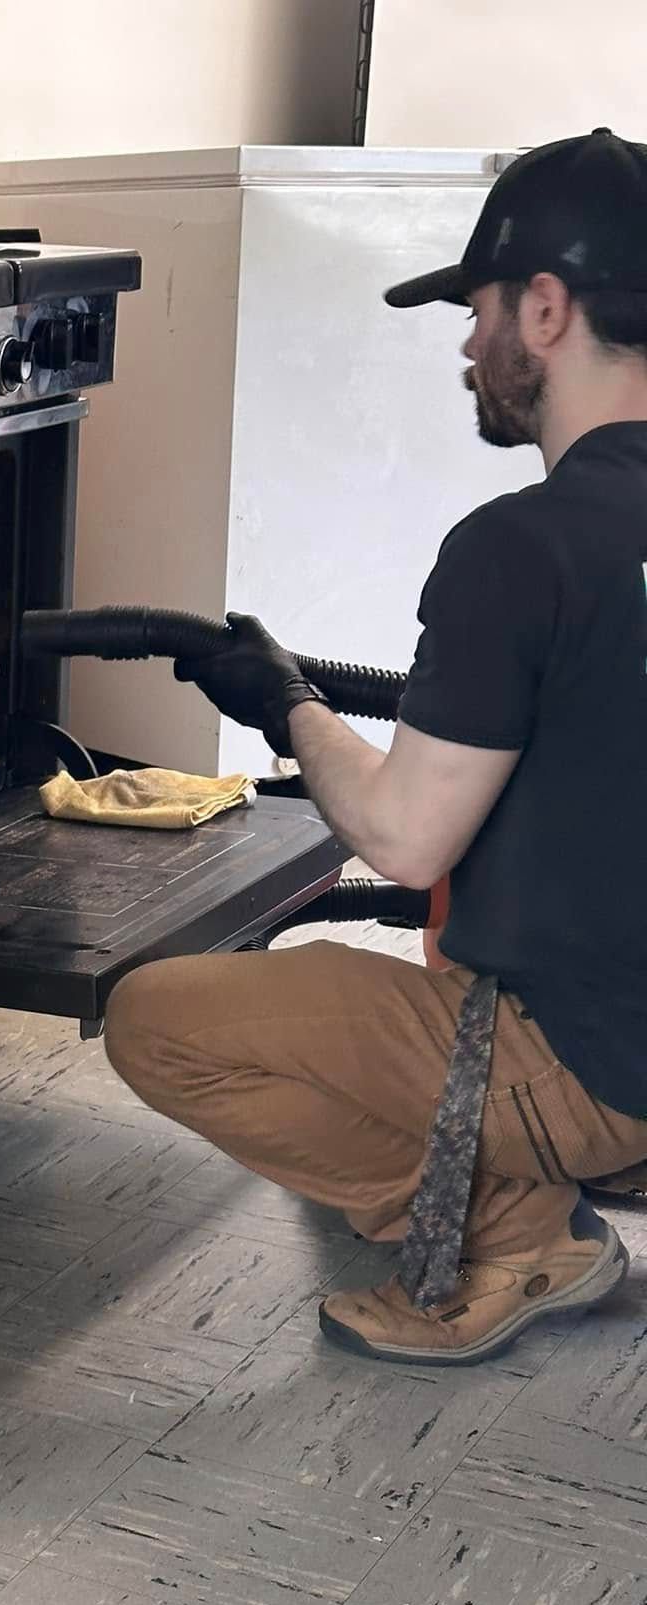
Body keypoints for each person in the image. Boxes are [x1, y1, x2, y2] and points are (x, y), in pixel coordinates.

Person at [104, 128, 647, 1366]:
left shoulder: (524, 546)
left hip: (597, 1059)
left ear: (548, 308)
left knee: (158, 1018)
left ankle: (497, 1237)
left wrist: (282, 699)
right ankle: (526, 1203)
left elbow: (407, 839)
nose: (468, 344)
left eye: (482, 308)